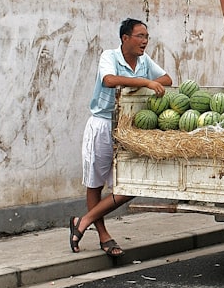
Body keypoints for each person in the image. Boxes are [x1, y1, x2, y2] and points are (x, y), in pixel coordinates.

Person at [68, 18, 172, 257]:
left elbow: (167, 79)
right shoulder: (110, 56)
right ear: (125, 38)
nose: (144, 42)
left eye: (146, 37)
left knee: (132, 183)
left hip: (130, 129)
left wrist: (146, 83)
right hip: (103, 124)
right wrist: (144, 83)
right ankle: (103, 235)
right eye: (140, 36)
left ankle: (82, 221)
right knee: (95, 182)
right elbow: (109, 80)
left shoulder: (144, 61)